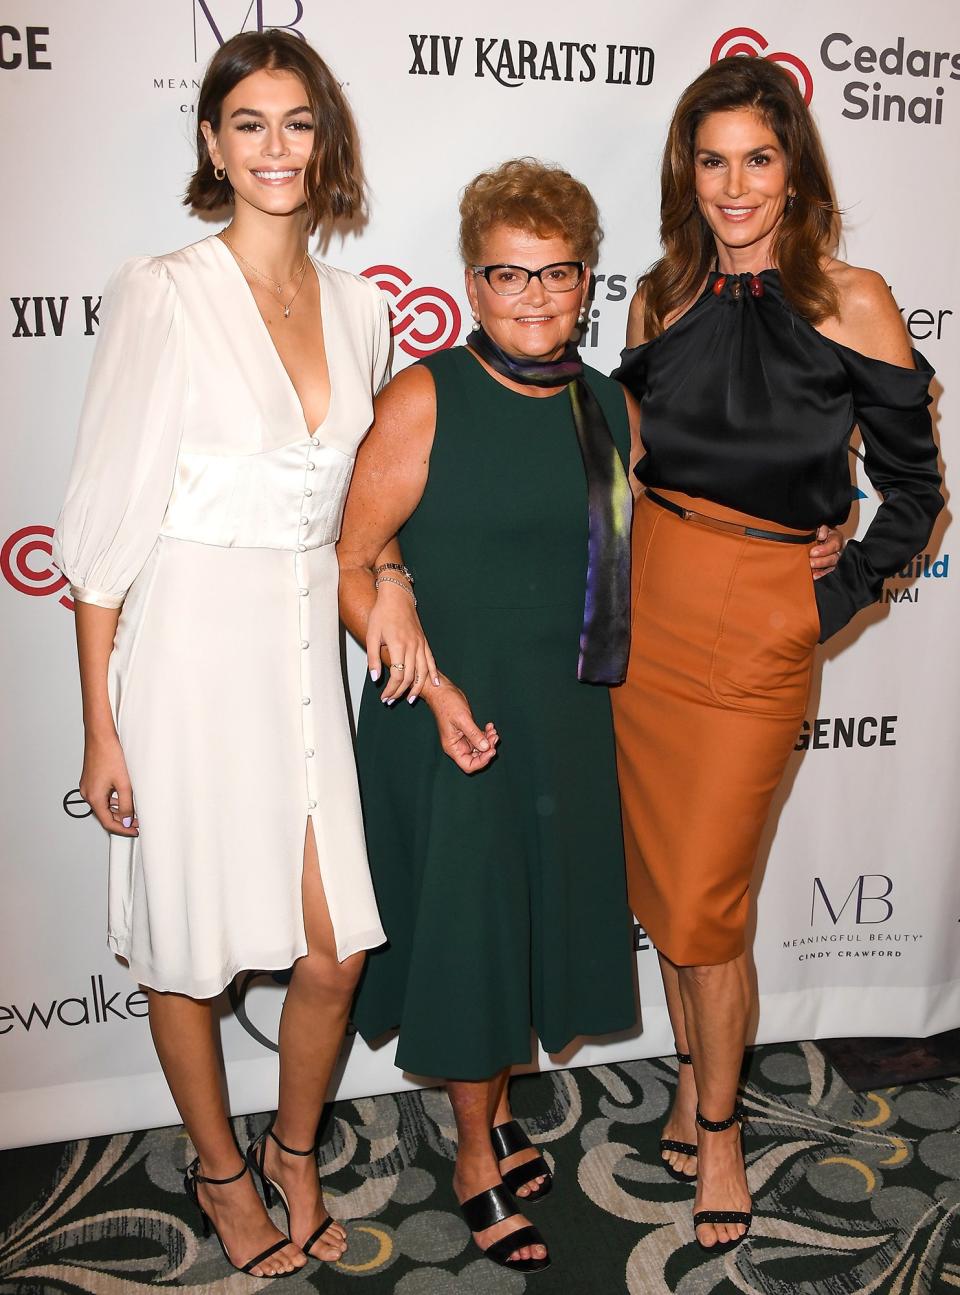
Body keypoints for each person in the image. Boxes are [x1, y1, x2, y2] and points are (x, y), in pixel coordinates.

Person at [52, 30, 406, 1279]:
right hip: (191, 648)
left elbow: (363, 511)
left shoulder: (360, 309)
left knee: (337, 945)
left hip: (305, 647)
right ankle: (217, 1165)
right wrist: (100, 720)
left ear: (327, 140)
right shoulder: (164, 290)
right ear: (212, 142)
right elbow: (101, 526)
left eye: (297, 122)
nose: (274, 147)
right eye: (247, 123)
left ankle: (293, 1148)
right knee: (189, 948)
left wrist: (394, 583)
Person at [611, 56, 943, 1254]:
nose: (735, 183)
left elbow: (915, 492)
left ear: (793, 167)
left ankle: (718, 1129)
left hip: (761, 619)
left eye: (759, 156)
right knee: (666, 886)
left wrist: (830, 594)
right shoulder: (659, 298)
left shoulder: (853, 298)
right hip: (650, 604)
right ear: (685, 173)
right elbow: (627, 469)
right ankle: (701, 1088)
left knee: (704, 900)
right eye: (713, 159)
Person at [336, 158, 644, 1273]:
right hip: (446, 714)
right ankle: (473, 1155)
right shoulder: (425, 396)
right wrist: (422, 654)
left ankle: (496, 1112)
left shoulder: (607, 403)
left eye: (558, 274)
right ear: (471, 282)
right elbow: (349, 559)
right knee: (471, 936)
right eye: (509, 275)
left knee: (519, 921)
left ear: (585, 280)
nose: (535, 297)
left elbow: (631, 561)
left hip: (560, 714)